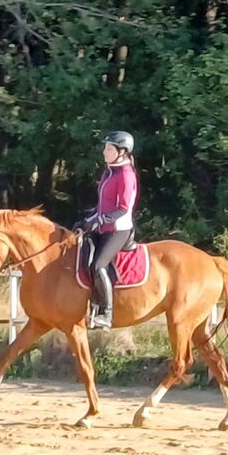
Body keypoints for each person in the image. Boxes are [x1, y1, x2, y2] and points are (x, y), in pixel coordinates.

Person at [75, 131, 138, 329]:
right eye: (105, 148)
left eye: (109, 148)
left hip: (119, 230)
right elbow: (103, 205)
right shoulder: (109, 172)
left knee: (99, 265)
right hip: (104, 226)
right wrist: (89, 220)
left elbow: (123, 209)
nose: (104, 152)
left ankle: (106, 314)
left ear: (121, 151)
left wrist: (99, 220)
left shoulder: (126, 176)